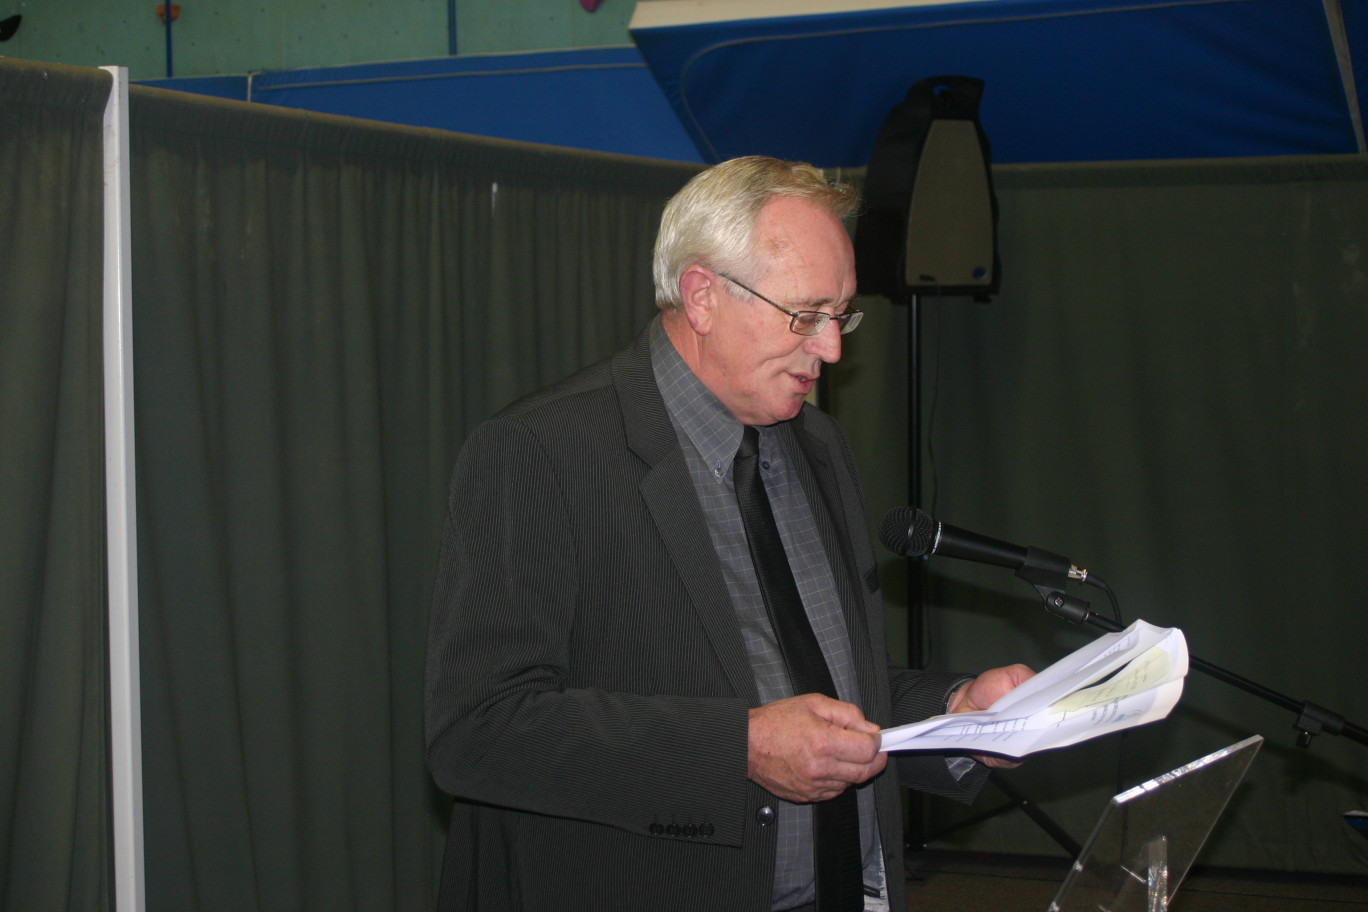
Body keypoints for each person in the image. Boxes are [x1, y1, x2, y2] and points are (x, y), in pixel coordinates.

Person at [425, 155, 1033, 912]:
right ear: (704, 296)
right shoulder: (543, 453)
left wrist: (954, 714)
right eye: (804, 315)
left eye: (841, 314)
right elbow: (480, 731)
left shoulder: (818, 445)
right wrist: (737, 750)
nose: (833, 350)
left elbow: (834, 693)